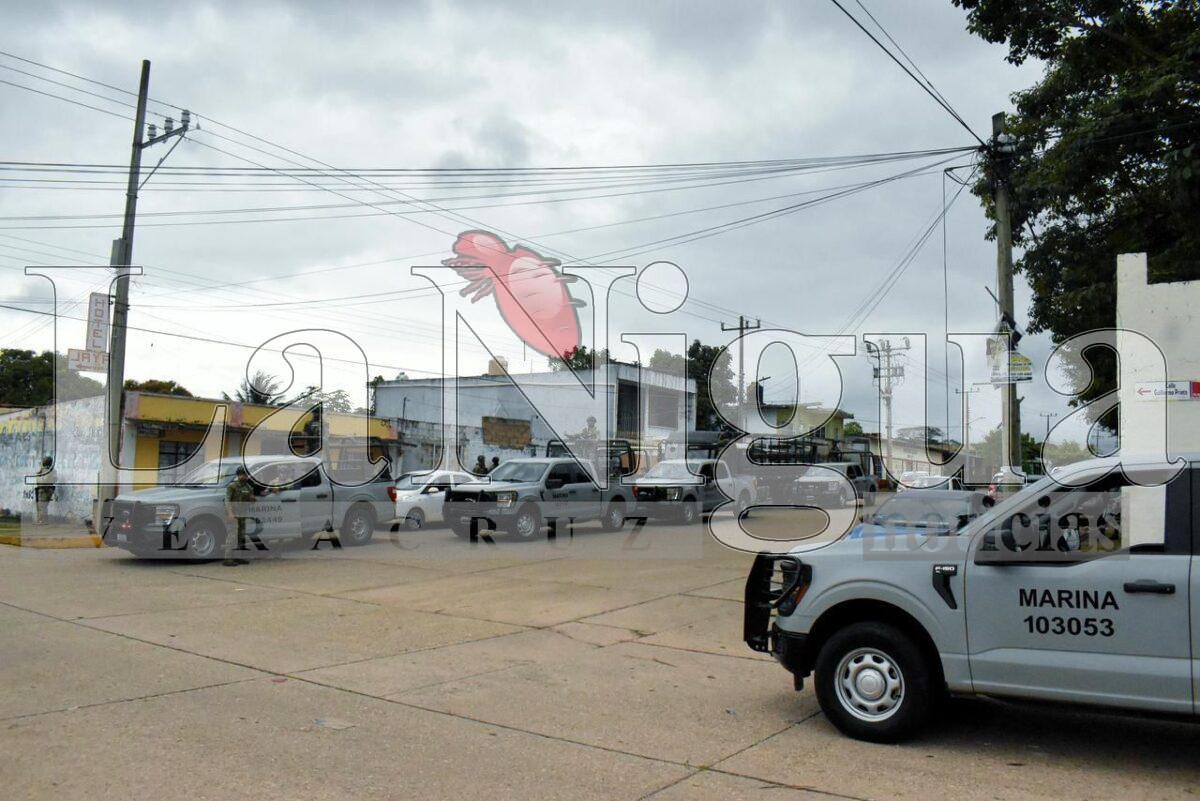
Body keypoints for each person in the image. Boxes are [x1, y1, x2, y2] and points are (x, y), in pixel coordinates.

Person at [223, 466, 255, 566]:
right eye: (242, 474)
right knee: (232, 536)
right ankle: (228, 559)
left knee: (241, 536)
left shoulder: (248, 487)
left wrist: (252, 499)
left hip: (243, 514)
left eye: (245, 475)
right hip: (233, 514)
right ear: (238, 475)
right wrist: (230, 513)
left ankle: (238, 557)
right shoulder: (232, 486)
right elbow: (227, 500)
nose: (244, 477)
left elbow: (251, 500)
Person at [34, 456, 56, 525]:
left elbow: (42, 481)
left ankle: (42, 520)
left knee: (42, 505)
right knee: (42, 505)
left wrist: (39, 474)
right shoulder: (49, 470)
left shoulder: (49, 471)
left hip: (45, 489)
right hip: (44, 489)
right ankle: (42, 520)